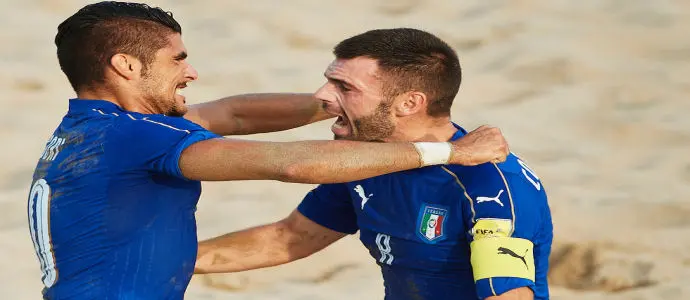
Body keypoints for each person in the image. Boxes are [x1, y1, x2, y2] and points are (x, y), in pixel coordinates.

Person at [26, 2, 510, 299]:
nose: (191, 73)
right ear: (126, 66)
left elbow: (234, 114)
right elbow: (292, 164)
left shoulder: (94, 129)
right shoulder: (139, 138)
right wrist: (445, 152)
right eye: (177, 59)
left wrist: (337, 104)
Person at [194, 28, 553, 300]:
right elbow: (290, 237)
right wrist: (172, 258)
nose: (320, 97)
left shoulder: (489, 188)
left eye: (343, 87)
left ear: (410, 103)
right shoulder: (364, 160)